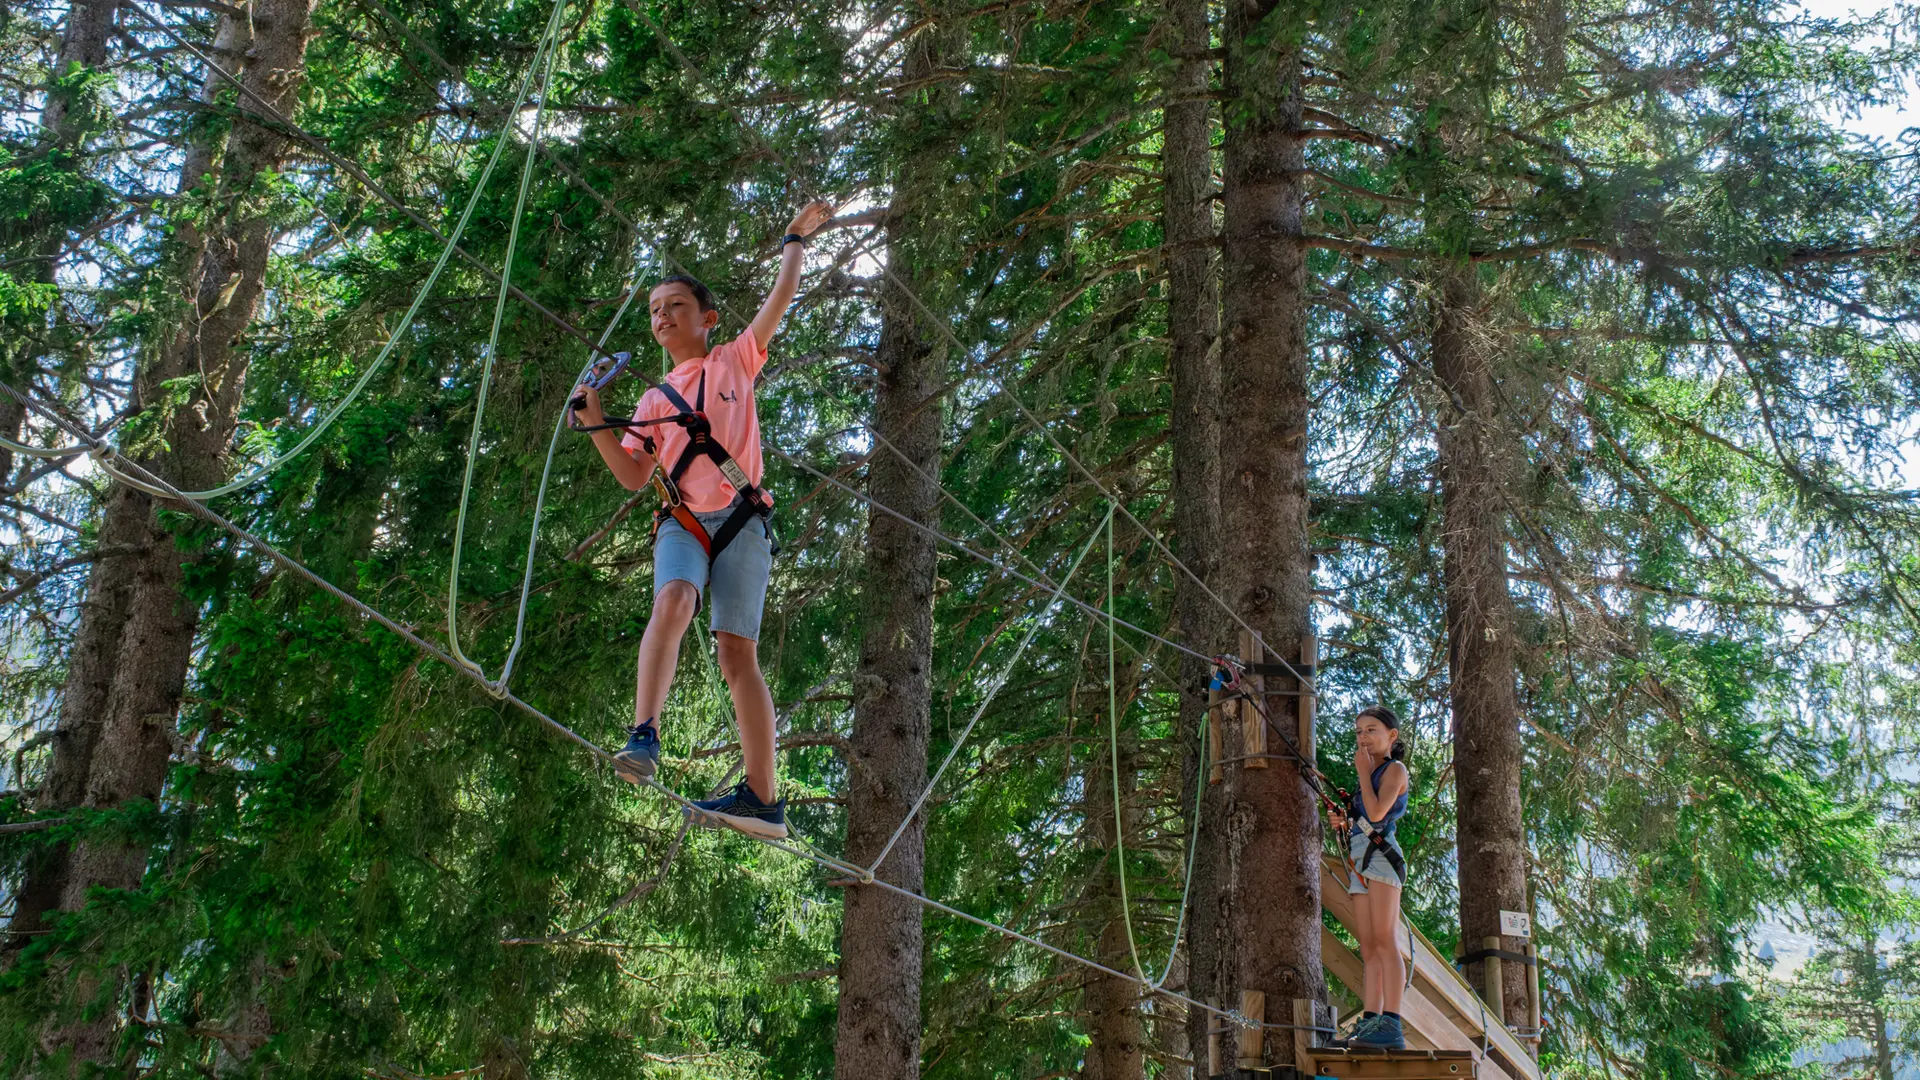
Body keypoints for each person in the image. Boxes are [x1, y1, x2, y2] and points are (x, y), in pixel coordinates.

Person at [570, 199, 834, 841]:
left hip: (742, 519)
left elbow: (781, 296)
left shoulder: (735, 360)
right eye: (654, 310)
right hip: (683, 521)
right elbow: (634, 474)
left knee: (736, 652)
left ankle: (763, 800)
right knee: (674, 599)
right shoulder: (650, 400)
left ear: (707, 319)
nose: (662, 316)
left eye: (676, 306)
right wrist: (596, 424)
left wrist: (794, 239)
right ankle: (644, 733)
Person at [1327, 705, 1412, 1050]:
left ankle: (1391, 1023)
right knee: (1368, 947)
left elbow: (1377, 814)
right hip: (1360, 859)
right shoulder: (1370, 775)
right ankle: (1370, 1020)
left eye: (1371, 730)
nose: (1363, 737)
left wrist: (1363, 773)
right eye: (1359, 731)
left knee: (1385, 941)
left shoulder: (1395, 770)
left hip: (1381, 859)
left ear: (1391, 736)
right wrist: (1343, 822)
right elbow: (1363, 819)